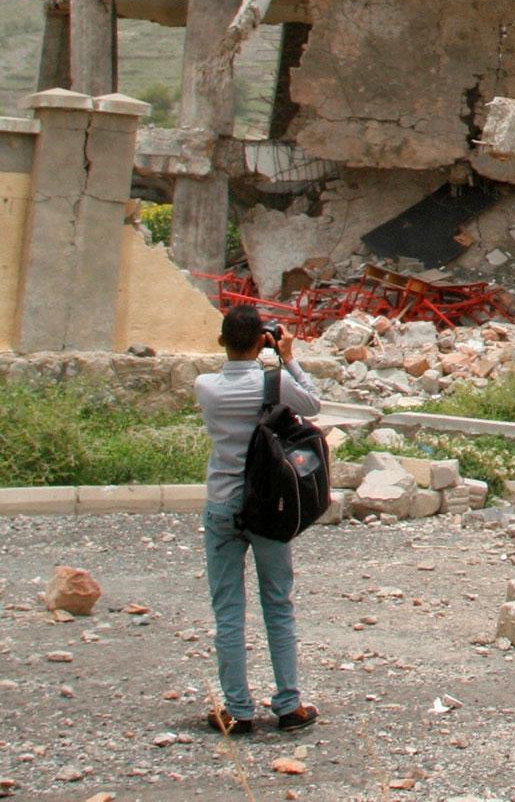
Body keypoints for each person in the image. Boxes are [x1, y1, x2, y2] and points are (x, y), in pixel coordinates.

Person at [193, 305, 322, 736]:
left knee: (228, 610)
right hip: (271, 506)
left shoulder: (205, 387)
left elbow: (228, 375)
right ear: (262, 340)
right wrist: (287, 356)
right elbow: (314, 403)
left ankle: (237, 709)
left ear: (221, 341)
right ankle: (288, 704)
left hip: (222, 505)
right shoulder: (275, 381)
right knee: (278, 604)